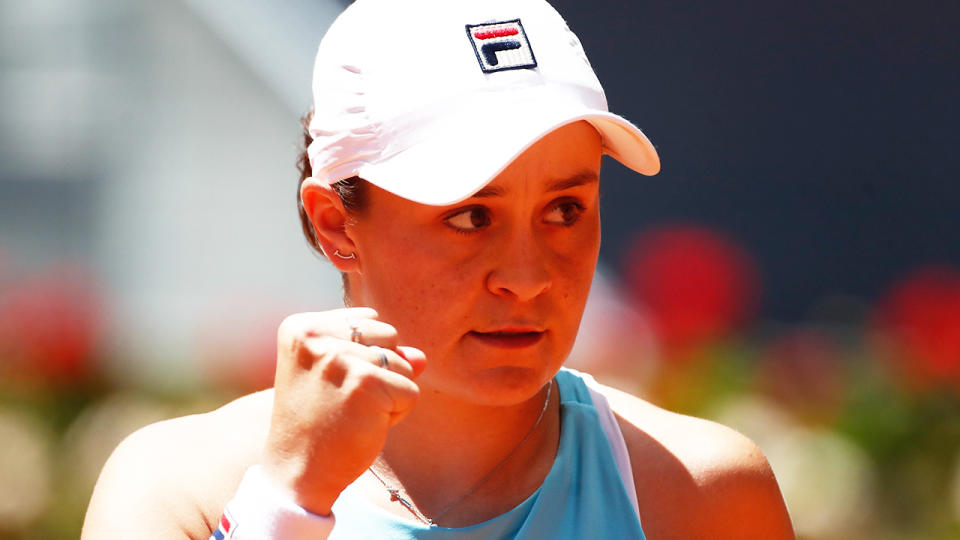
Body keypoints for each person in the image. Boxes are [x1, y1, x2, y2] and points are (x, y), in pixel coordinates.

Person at [82, 0, 795, 538]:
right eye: (469, 216)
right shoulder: (175, 489)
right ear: (336, 224)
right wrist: (287, 503)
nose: (528, 276)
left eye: (566, 209)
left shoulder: (704, 493)